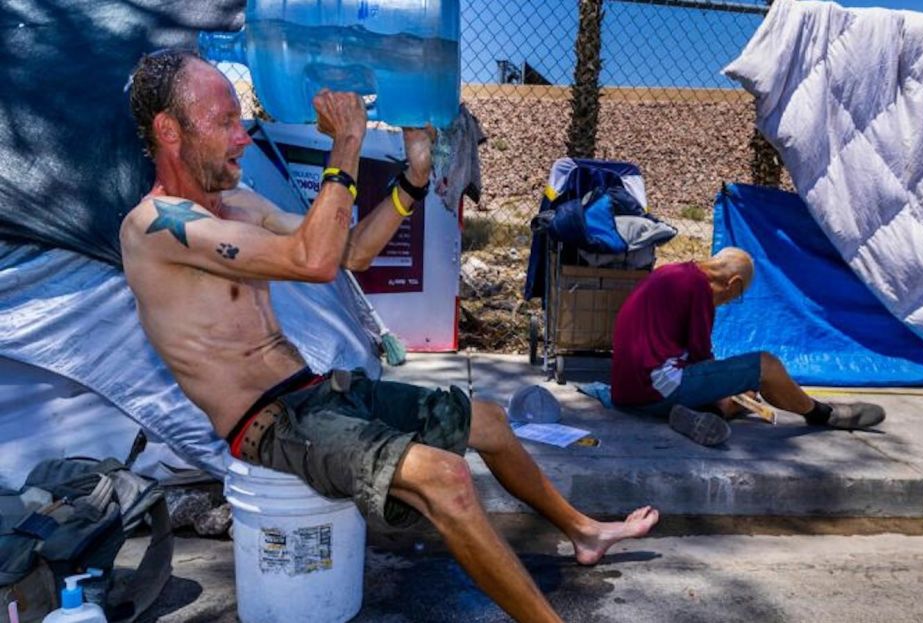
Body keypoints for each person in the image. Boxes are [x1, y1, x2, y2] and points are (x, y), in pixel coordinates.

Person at [120, 49, 657, 623]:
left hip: (317, 393)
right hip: (267, 423)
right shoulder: (154, 227)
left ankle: (584, 532)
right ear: (169, 131)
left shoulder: (239, 205)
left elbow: (352, 252)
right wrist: (346, 142)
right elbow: (313, 260)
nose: (242, 137)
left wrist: (413, 178)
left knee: (492, 422)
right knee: (444, 479)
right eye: (223, 121)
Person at [611, 247, 885, 446]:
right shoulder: (699, 289)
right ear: (734, 284)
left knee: (741, 393)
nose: (730, 301)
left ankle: (708, 415)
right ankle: (821, 413)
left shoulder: (673, 273)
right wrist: (732, 383)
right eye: (737, 296)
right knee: (765, 366)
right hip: (657, 388)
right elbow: (701, 357)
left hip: (629, 393)